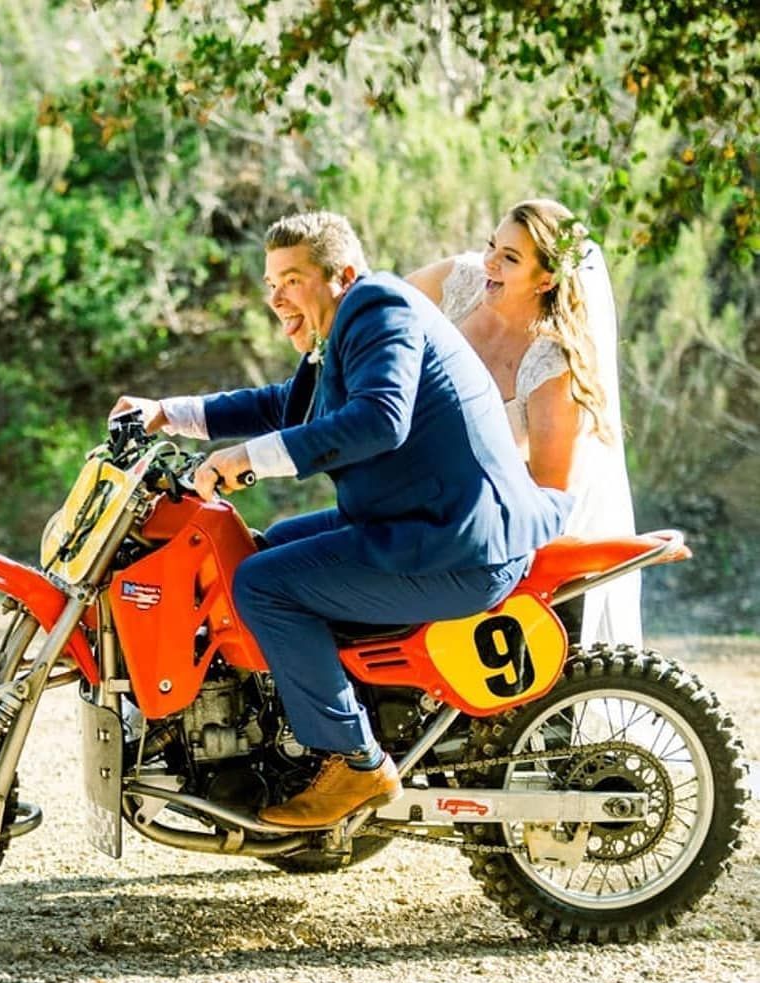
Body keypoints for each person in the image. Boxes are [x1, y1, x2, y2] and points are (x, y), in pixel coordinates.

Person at [111, 210, 570, 829]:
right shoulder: (345, 325)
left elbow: (381, 419)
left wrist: (248, 461)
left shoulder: (380, 308)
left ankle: (354, 759)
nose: (276, 297)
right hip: (419, 524)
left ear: (340, 276)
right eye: (270, 283)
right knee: (263, 550)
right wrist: (170, 412)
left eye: (292, 280)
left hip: (457, 545)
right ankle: (297, 739)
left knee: (263, 584)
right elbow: (287, 404)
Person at [406, 198, 641, 647]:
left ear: (546, 278)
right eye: (492, 245)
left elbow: (550, 492)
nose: (489, 262)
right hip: (420, 505)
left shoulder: (552, 367)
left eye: (510, 258)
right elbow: (379, 317)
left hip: (504, 532)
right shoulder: (460, 282)